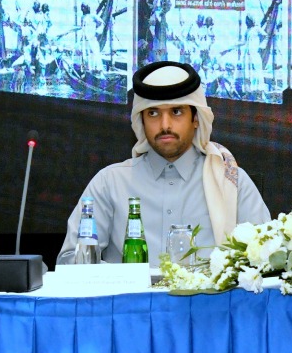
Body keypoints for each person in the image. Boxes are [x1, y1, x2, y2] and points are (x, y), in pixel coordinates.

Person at [57, 60, 271, 265]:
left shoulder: (230, 181)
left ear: (195, 119)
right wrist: (121, 279)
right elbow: (70, 260)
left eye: (176, 112)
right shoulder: (110, 183)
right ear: (141, 121)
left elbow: (266, 256)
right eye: (153, 113)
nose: (165, 124)